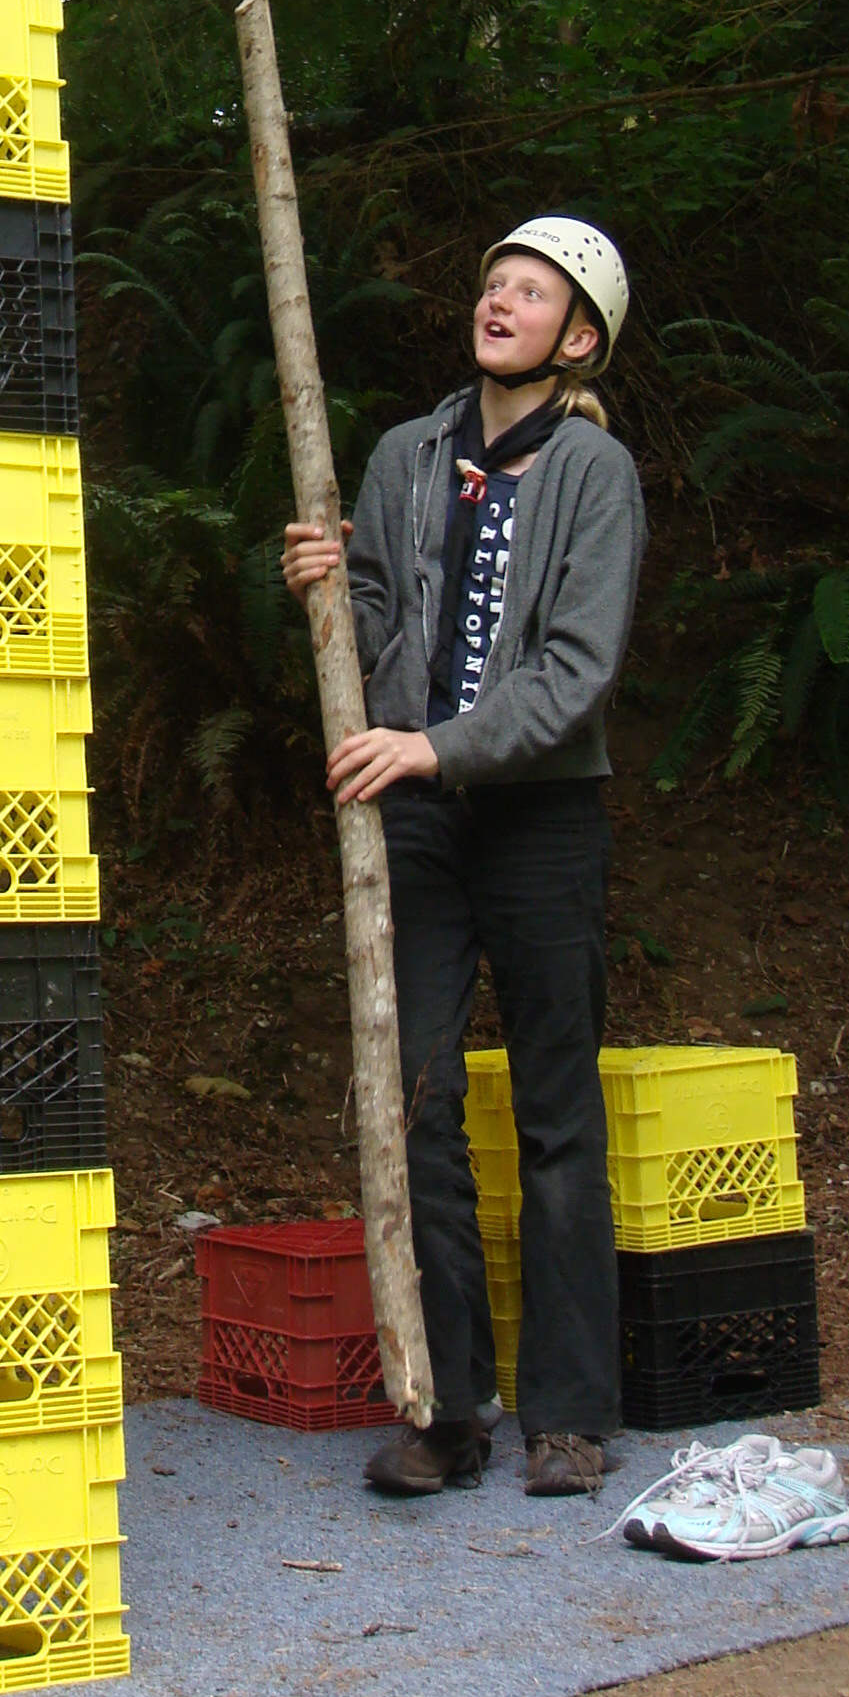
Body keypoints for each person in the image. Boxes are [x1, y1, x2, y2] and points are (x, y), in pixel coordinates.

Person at [281, 217, 647, 1503]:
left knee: (556, 1107)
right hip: (422, 822)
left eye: (532, 293)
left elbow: (578, 670)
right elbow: (382, 632)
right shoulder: (407, 454)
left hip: (542, 816)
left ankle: (569, 1416)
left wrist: (437, 746)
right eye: (494, 281)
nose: (500, 301)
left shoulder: (596, 474)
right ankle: (446, 1411)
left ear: (579, 337)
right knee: (416, 1102)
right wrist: (329, 586)